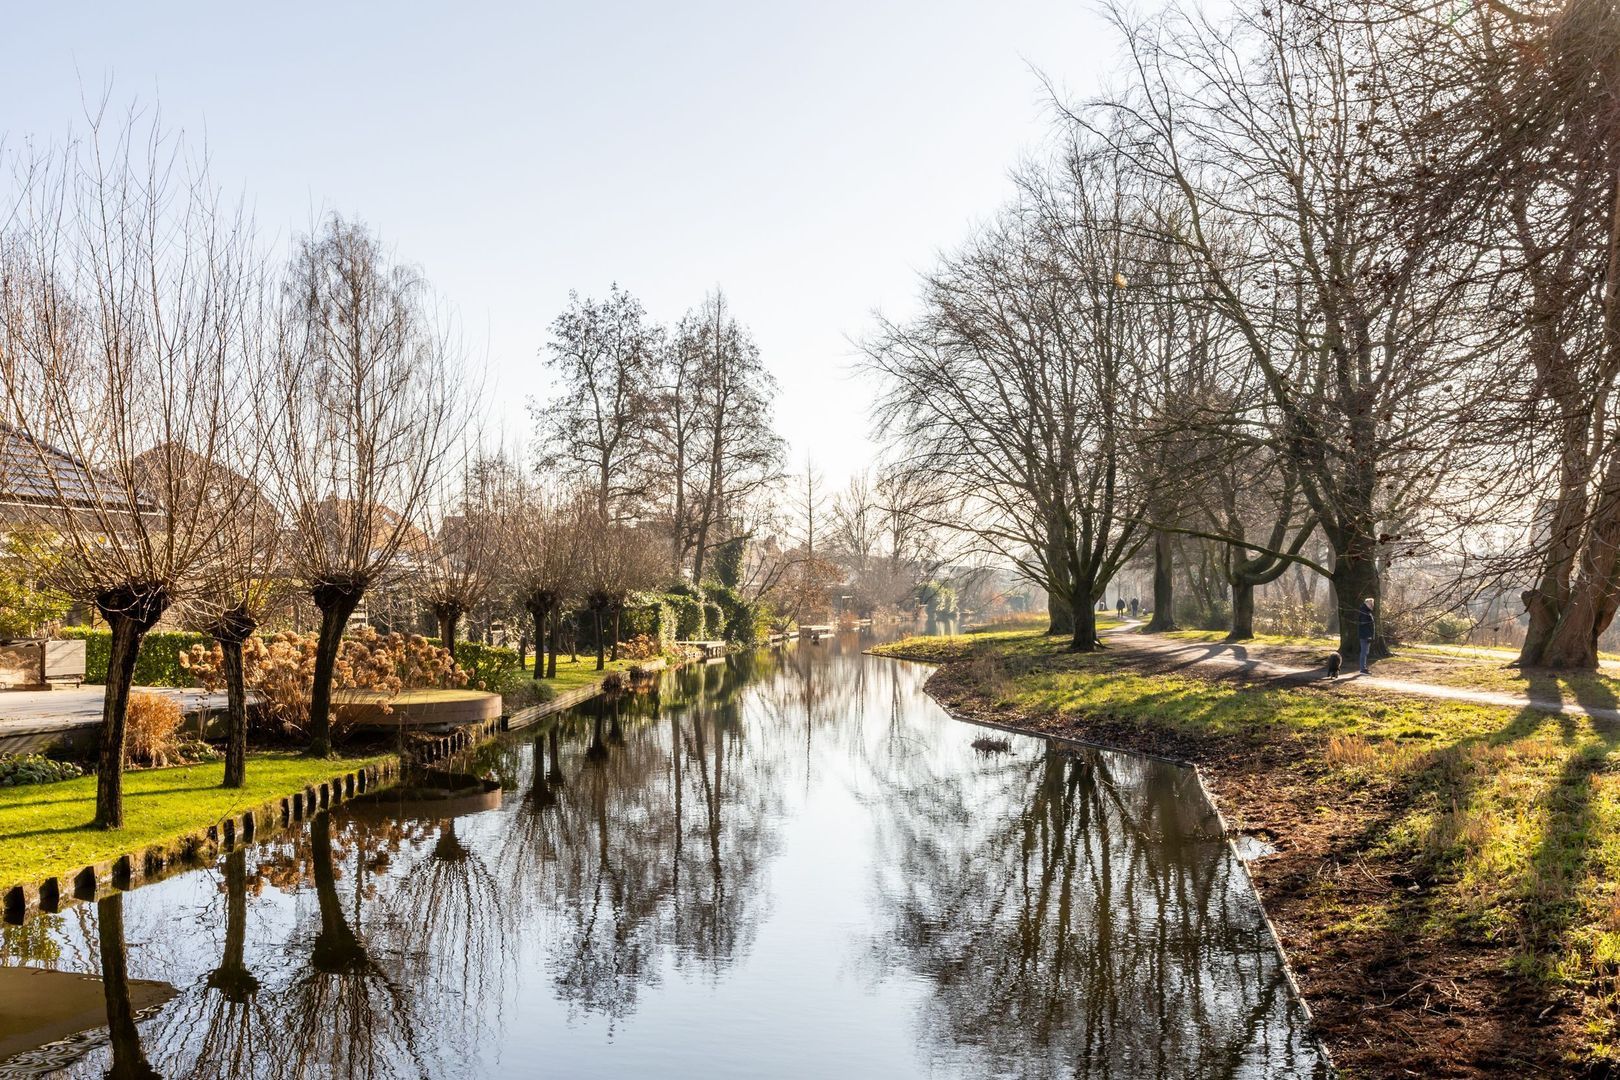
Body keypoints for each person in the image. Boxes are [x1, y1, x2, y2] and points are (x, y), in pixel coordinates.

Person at [1357, 597, 1376, 674]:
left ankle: (1363, 668)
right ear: (1367, 604)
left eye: (1372, 604)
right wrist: (1368, 636)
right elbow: (1365, 626)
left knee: (1365, 652)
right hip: (1365, 636)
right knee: (1364, 652)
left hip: (1366, 635)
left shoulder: (1366, 612)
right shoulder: (1364, 613)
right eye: (1371, 604)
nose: (1372, 605)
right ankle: (1362, 669)